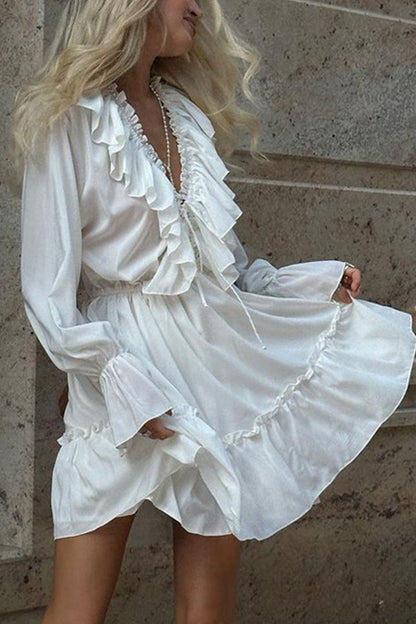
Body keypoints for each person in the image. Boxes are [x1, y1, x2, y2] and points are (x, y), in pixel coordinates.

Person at [10, 0, 416, 622]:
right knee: (77, 610)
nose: (199, 7)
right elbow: (46, 289)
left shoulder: (183, 116)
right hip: (128, 376)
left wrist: (301, 289)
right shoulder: (70, 119)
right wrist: (114, 376)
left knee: (208, 611)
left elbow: (220, 265)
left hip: (215, 369)